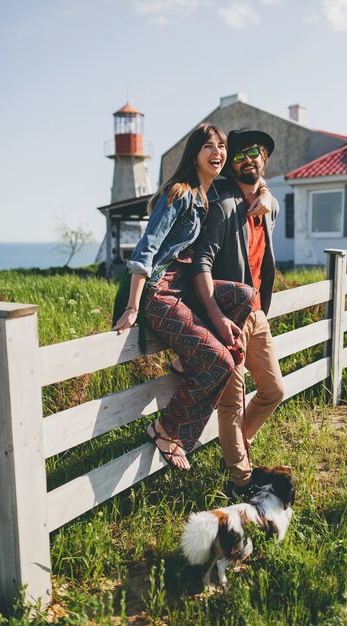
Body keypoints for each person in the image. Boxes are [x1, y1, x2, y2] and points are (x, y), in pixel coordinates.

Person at [113, 123, 270, 471]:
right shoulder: (180, 193)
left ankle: (186, 360)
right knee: (222, 363)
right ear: (194, 154)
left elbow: (256, 183)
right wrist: (133, 306)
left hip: (184, 288)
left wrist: (266, 193)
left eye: (222, 147)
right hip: (160, 292)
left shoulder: (208, 194)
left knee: (244, 295)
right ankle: (166, 429)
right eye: (208, 147)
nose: (218, 153)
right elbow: (146, 249)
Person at [191, 129, 286, 497]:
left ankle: (234, 448)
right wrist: (215, 316)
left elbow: (269, 200)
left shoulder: (270, 204)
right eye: (239, 155)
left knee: (274, 390)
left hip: (258, 314)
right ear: (231, 165)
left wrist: (265, 193)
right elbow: (202, 261)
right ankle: (240, 482)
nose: (247, 159)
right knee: (230, 403)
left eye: (254, 153)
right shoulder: (224, 203)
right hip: (227, 317)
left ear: (265, 159)